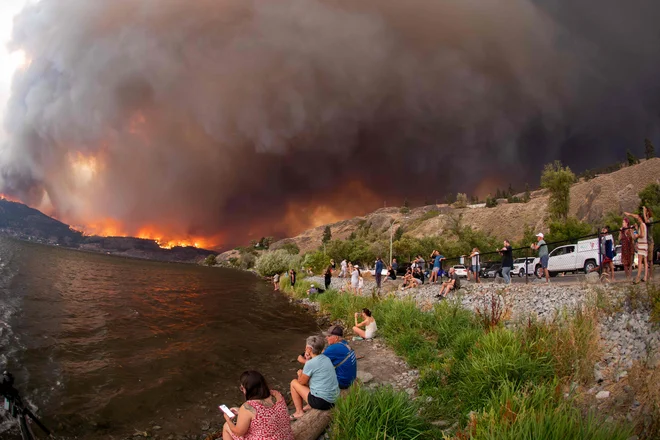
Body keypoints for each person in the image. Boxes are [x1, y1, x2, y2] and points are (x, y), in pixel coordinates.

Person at [222, 370, 294, 440]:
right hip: (286, 437)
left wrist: (228, 419)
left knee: (226, 426)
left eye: (242, 388)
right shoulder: (276, 394)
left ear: (248, 389)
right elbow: (267, 414)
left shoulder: (248, 406)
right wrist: (240, 412)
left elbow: (238, 432)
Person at [290, 336, 339, 419]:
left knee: (294, 383)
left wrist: (300, 374)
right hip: (334, 398)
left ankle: (299, 412)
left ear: (309, 349)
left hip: (323, 402)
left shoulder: (310, 363)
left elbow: (302, 382)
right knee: (315, 380)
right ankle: (309, 405)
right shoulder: (326, 358)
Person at [296, 326, 357, 390]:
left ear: (336, 338)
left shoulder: (333, 348)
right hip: (350, 379)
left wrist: (302, 360)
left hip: (342, 383)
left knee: (307, 376)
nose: (326, 337)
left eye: (329, 336)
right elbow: (323, 352)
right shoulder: (344, 344)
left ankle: (312, 394)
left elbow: (315, 363)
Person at [626, 211, 649, 283]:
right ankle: (645, 276)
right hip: (645, 244)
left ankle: (638, 277)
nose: (637, 218)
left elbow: (641, 235)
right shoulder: (644, 225)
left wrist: (637, 235)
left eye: (638, 217)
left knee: (639, 261)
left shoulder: (642, 225)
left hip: (642, 244)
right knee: (645, 261)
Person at [644, 206, 654, 279]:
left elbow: (647, 222)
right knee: (645, 259)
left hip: (650, 241)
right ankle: (646, 275)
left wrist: (644, 213)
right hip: (645, 241)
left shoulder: (650, 219)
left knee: (650, 260)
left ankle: (651, 275)